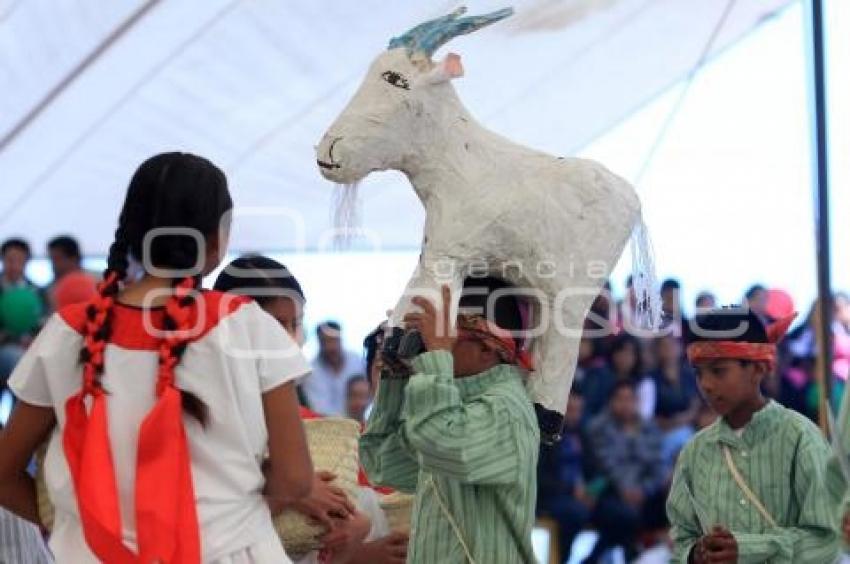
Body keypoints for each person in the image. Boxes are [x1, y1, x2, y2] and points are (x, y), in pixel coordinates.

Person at [0, 152, 314, 562]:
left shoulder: (69, 331)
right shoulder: (249, 327)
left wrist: (70, 524)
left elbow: (4, 474)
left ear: (129, 231)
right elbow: (295, 479)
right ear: (216, 241)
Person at [215, 254, 408, 564]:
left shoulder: (323, 433)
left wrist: (353, 537)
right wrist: (290, 490)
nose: (291, 338)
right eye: (277, 324)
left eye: (296, 323)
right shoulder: (199, 401)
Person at [361, 277, 539, 563]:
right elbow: (382, 464)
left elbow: (440, 440)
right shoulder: (451, 408)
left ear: (487, 348)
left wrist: (436, 358)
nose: (432, 345)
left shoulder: (507, 411)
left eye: (446, 337)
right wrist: (395, 375)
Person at [666, 306, 846, 564]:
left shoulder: (800, 438)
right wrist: (696, 554)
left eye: (718, 371)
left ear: (759, 368)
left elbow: (828, 539)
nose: (705, 384)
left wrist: (748, 549)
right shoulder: (694, 452)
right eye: (699, 373)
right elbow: (680, 537)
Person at [584, 380, 667, 562]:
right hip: (609, 492)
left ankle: (594, 558)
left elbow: (659, 467)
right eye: (620, 399)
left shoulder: (650, 428)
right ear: (611, 401)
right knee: (625, 516)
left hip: (645, 495)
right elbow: (606, 464)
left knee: (673, 504)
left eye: (630, 399)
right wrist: (627, 490)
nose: (625, 404)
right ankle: (632, 555)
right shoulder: (598, 427)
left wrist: (643, 490)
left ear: (637, 401)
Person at [536, 389, 594, 562]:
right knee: (577, 513)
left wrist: (592, 491)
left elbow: (595, 467)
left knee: (618, 513)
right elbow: (541, 477)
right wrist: (571, 490)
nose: (575, 415)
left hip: (580, 494)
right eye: (571, 410)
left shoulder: (581, 434)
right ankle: (562, 559)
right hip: (552, 496)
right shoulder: (546, 435)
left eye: (579, 411)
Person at [0, 238, 46, 394]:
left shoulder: (38, 292)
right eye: (9, 260)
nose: (14, 266)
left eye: (19, 260)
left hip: (28, 352)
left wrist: (33, 341)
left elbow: (43, 324)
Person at [583, 334, 655, 423]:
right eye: (621, 352)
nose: (625, 357)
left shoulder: (643, 382)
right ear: (613, 353)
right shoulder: (598, 376)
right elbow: (587, 408)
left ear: (636, 357)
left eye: (630, 354)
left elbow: (644, 417)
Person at [303, 321, 366, 416]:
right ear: (319, 342)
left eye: (334, 341)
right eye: (326, 342)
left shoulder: (357, 361)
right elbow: (319, 409)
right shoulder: (311, 371)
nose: (331, 347)